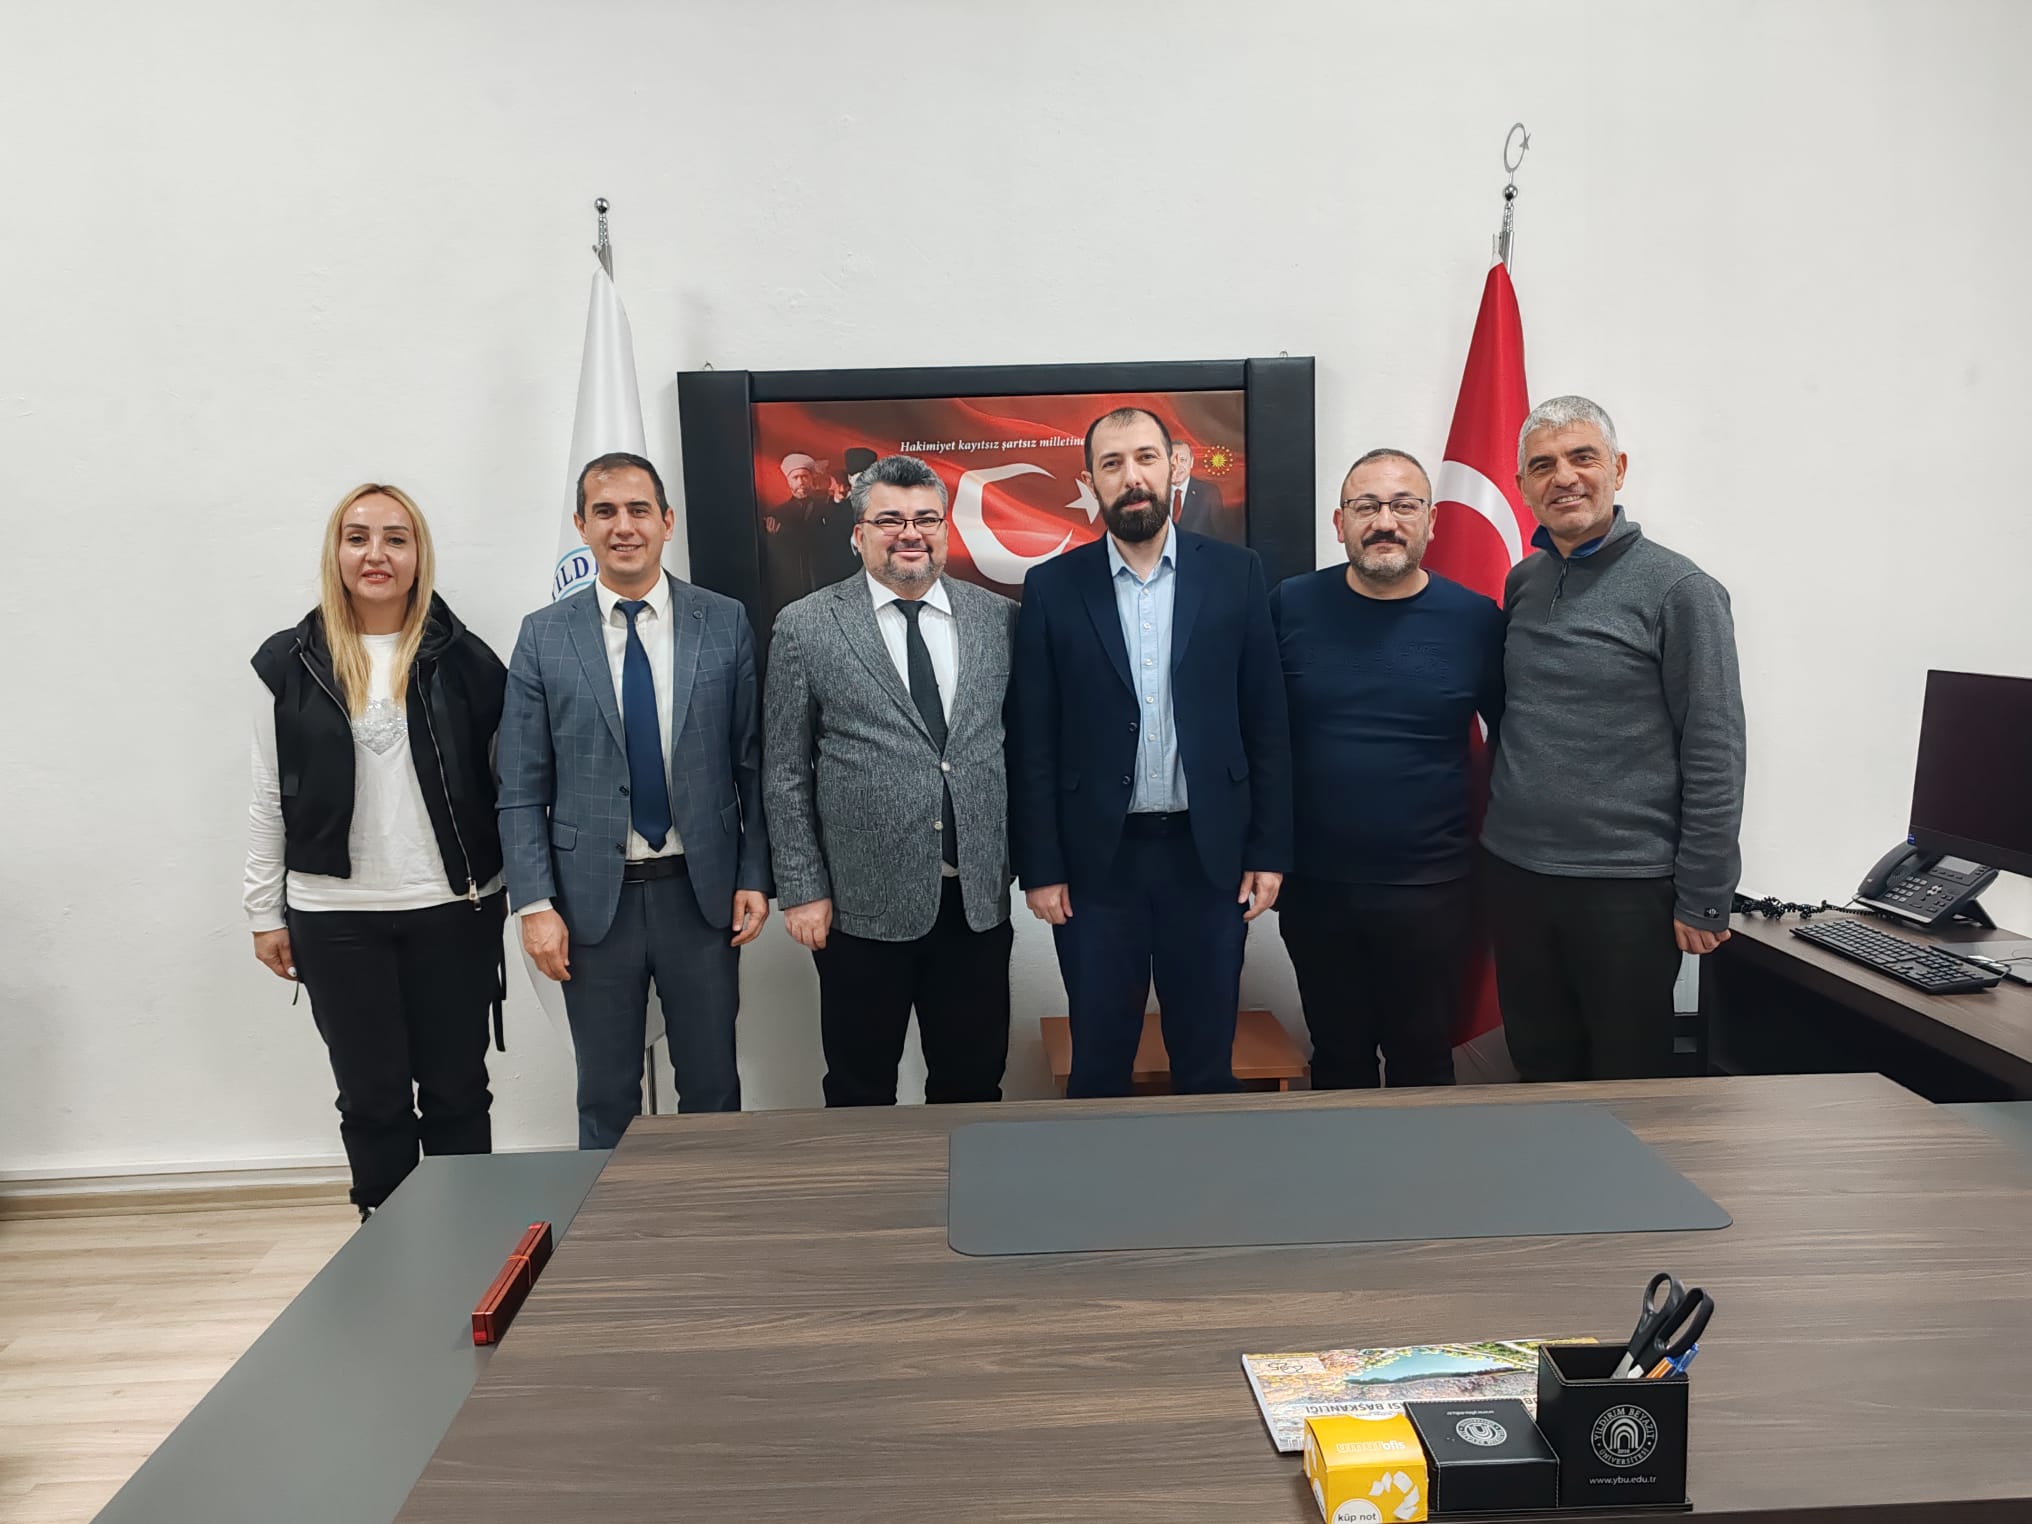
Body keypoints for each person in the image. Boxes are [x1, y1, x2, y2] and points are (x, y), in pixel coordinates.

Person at [1010, 407, 1291, 1098]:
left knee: (1206, 1063)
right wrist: (1040, 867)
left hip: (1210, 858)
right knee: (1099, 1064)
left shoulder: (1235, 573)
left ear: (1174, 469)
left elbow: (1266, 721)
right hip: (1096, 867)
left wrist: (1269, 851)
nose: (1131, 477)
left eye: (1145, 458)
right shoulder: (1052, 587)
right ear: (1090, 482)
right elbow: (1033, 736)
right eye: (1112, 464)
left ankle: (1205, 1173)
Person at [246, 483, 508, 1220]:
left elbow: (507, 785)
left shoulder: (468, 661)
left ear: (418, 553)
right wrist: (264, 911)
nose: (376, 554)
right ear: (336, 552)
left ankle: (468, 1237)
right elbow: (268, 795)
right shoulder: (288, 663)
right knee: (371, 1096)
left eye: (396, 537)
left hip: (453, 907)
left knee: (458, 1089)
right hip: (335, 916)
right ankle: (386, 1241)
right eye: (358, 536)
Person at [497, 451, 772, 1147]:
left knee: (712, 1085)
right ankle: (613, 1215)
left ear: (666, 521)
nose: (624, 526)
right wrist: (534, 904)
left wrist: (754, 875)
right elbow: (520, 786)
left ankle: (708, 1209)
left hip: (701, 896)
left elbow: (752, 764)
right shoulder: (543, 635)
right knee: (605, 1093)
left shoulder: (723, 621)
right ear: (582, 526)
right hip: (592, 903)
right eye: (606, 512)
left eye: (639, 510)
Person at [1482, 395, 1746, 1081]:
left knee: (1628, 1083)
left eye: (1582, 458)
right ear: (1522, 485)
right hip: (1517, 875)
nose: (1564, 477)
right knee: (1538, 1067)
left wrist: (1706, 890)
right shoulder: (1525, 581)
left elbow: (1714, 748)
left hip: (1625, 887)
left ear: (1618, 469)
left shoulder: (1681, 590)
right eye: (1543, 465)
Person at [764, 455, 1019, 1106]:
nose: (911, 533)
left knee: (972, 1086)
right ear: (858, 534)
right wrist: (802, 889)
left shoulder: (999, 619)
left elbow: (1021, 748)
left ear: (945, 529)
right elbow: (785, 769)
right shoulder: (807, 625)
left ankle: (967, 1179)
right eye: (890, 520)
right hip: (859, 908)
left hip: (975, 905)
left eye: (926, 519)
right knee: (860, 1090)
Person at [1270, 448, 1505, 1088]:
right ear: (1339, 521)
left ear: (1431, 522)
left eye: (1404, 506)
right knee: (1336, 1058)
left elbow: (1516, 741)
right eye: (1367, 506)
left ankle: (1423, 1164)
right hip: (1316, 888)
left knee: (1422, 1059)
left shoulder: (1476, 620)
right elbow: (1256, 735)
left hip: (1433, 890)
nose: (1385, 521)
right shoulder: (1289, 605)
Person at [1169, 438, 1239, 541]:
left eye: (1182, 460)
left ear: (1191, 462)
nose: (1177, 466)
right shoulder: (1154, 492)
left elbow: (1221, 536)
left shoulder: (1209, 493)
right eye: (1172, 460)